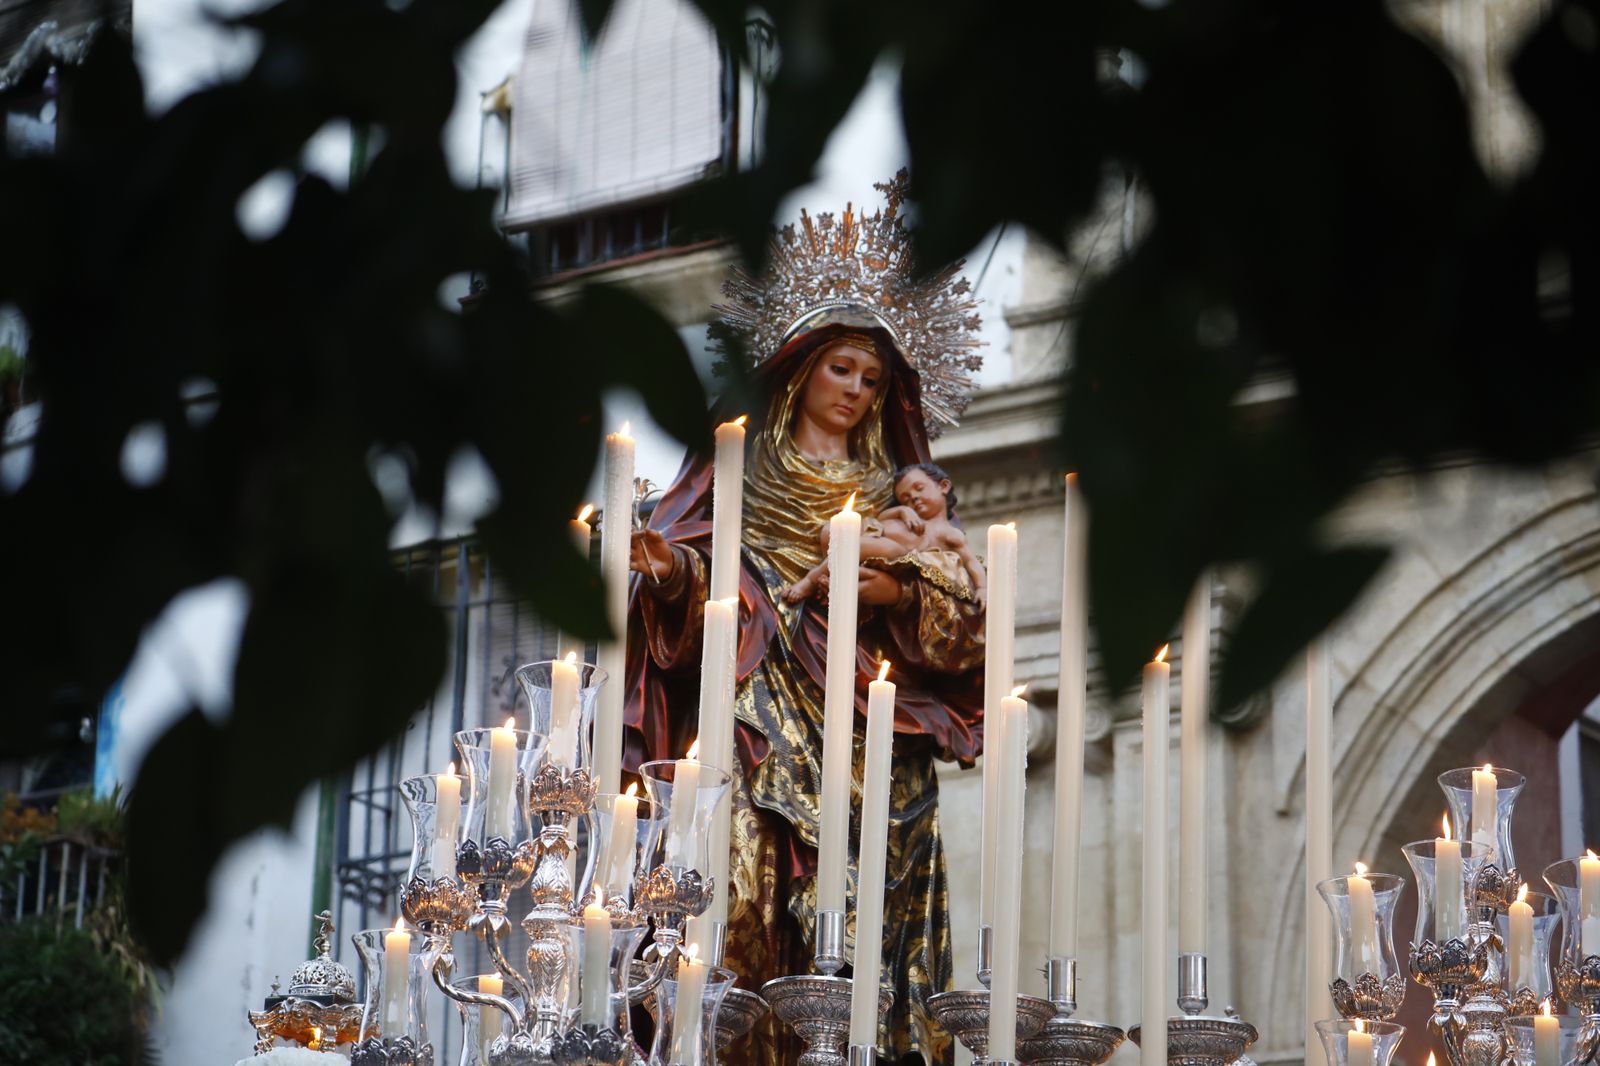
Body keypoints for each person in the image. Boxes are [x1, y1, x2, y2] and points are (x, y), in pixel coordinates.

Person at [621, 173, 985, 1066]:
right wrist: (670, 571)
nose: (856, 390)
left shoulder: (901, 496)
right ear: (799, 366)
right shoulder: (735, 472)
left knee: (864, 911)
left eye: (872, 376)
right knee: (733, 880)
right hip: (748, 712)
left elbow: (964, 616)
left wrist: (888, 590)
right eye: (841, 367)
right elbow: (702, 572)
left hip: (868, 731)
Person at [782, 462, 986, 607]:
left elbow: (970, 562)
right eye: (905, 498)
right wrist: (902, 511)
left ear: (943, 486)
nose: (913, 497)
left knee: (852, 546)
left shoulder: (949, 533)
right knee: (831, 531)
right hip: (874, 535)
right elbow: (883, 516)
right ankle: (837, 571)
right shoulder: (907, 513)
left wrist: (982, 588)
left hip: (897, 551)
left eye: (919, 488)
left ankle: (809, 581)